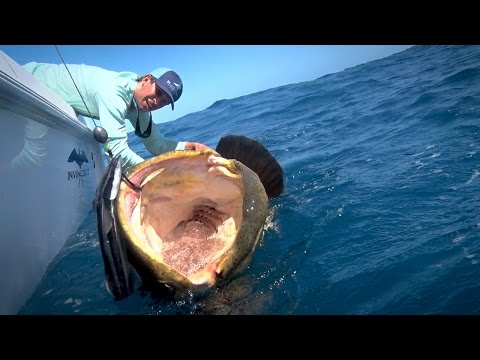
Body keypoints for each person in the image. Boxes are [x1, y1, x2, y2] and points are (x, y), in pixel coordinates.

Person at [22, 62, 212, 168]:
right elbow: (117, 151)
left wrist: (189, 146)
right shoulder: (113, 92)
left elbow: (156, 144)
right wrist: (155, 173)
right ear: (146, 79)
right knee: (33, 157)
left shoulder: (140, 106)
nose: (158, 102)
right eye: (159, 92)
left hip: (52, 102)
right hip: (27, 81)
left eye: (165, 101)